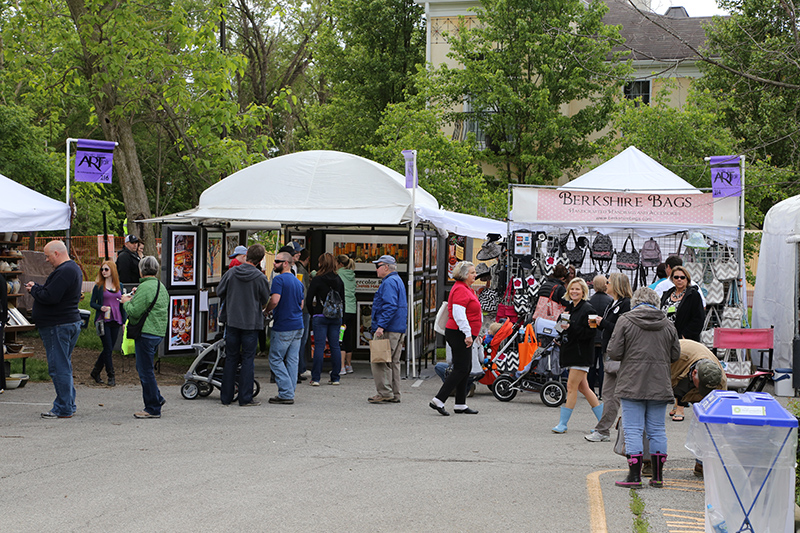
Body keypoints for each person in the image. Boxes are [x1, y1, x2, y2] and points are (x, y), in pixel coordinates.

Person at [608, 287, 680, 489]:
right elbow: (675, 355)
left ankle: (634, 476)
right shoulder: (668, 324)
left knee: (633, 430)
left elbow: (614, 352)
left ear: (635, 302)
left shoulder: (625, 320)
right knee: (657, 430)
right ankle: (657, 477)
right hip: (659, 382)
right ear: (656, 302)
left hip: (632, 382)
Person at [26, 240, 83, 419]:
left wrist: (35, 290)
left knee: (59, 367)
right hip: (66, 322)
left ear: (57, 253)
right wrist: (38, 289)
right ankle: (68, 403)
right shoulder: (72, 269)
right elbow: (55, 292)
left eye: (48, 256)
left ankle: (63, 407)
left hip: (58, 325)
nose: (46, 260)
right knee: (64, 365)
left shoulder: (65, 271)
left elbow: (51, 297)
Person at [217, 244, 270, 407]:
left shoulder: (231, 273)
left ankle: (226, 396)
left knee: (231, 357)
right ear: (261, 259)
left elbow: (220, 291)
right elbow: (264, 298)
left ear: (247, 255)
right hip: (251, 322)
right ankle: (245, 397)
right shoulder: (260, 277)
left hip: (232, 321)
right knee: (248, 359)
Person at [430, 261, 481, 416]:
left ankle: (460, 404)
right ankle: (438, 400)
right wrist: (467, 334)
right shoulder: (460, 290)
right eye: (472, 273)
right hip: (458, 332)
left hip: (463, 333)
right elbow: (459, 315)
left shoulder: (466, 289)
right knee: (461, 368)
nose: (475, 275)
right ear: (464, 275)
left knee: (466, 368)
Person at [585, 273, 632, 442]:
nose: (606, 284)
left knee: (613, 394)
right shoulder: (614, 302)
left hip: (618, 355)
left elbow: (621, 329)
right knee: (609, 393)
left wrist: (602, 322)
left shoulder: (626, 304)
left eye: (609, 282)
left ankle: (604, 429)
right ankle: (603, 428)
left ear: (617, 285)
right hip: (610, 352)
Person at [551, 278, 602, 433]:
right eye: (572, 289)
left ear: (583, 291)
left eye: (577, 289)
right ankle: (604, 421)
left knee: (571, 387)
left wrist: (570, 328)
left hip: (581, 354)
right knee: (584, 388)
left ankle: (563, 423)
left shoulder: (590, 309)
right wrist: (561, 323)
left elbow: (592, 332)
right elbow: (560, 330)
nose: (574, 292)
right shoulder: (569, 308)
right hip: (572, 352)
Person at [120, 256, 168, 418]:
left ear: (141, 270)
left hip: (146, 333)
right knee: (147, 369)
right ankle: (157, 398)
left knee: (145, 370)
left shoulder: (145, 287)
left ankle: (152, 408)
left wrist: (126, 301)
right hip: (158, 332)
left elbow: (134, 311)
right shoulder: (160, 286)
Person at [264, 251, 305, 404]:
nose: (274, 264)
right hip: (298, 324)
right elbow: (301, 304)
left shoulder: (279, 280)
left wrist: (267, 310)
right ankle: (290, 391)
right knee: (292, 360)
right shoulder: (297, 282)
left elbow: (275, 300)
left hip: (284, 325)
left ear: (286, 263)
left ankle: (286, 392)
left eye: (277, 261)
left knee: (275, 358)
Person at [368, 255, 407, 404]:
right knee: (394, 362)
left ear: (385, 267)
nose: (376, 269)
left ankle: (385, 392)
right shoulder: (397, 280)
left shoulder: (389, 282)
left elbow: (390, 305)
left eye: (377, 266)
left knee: (380, 360)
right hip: (398, 327)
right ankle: (395, 393)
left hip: (389, 328)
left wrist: (381, 326)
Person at [306, 253, 345, 386]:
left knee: (319, 346)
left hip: (320, 316)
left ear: (322, 264)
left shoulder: (317, 279)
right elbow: (342, 300)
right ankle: (335, 377)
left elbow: (309, 300)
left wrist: (313, 313)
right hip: (336, 317)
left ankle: (316, 378)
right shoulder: (339, 279)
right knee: (335, 346)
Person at [669, 339, 727, 422]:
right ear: (694, 373)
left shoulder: (721, 380)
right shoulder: (676, 356)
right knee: (681, 385)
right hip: (681, 357)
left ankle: (678, 405)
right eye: (702, 386)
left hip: (697, 357)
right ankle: (678, 406)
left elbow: (721, 405)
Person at [89, 260, 126, 386]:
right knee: (108, 348)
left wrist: (124, 321)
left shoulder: (119, 285)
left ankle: (95, 371)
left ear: (112, 271)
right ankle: (111, 375)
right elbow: (92, 303)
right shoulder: (99, 286)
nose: (103, 272)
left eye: (106, 269)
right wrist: (101, 308)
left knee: (107, 349)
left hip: (116, 319)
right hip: (103, 320)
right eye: (102, 269)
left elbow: (122, 305)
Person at [660, 265, 705, 343]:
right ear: (672, 279)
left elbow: (698, 318)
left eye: (682, 277)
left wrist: (685, 336)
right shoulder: (667, 294)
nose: (679, 279)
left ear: (687, 279)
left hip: (683, 339)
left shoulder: (693, 295)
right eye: (676, 277)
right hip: (665, 337)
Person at [587, 275, 613, 396]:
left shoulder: (590, 301)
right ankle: (603, 391)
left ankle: (590, 390)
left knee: (592, 365)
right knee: (603, 366)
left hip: (592, 336)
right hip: (604, 336)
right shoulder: (610, 301)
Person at [336, 254, 357, 375]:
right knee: (348, 337)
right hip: (352, 309)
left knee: (340, 338)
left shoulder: (338, 274)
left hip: (343, 310)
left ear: (340, 264)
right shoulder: (351, 275)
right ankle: (349, 365)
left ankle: (341, 367)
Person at [296, 248, 312, 381]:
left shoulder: (295, 269)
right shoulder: (303, 272)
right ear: (307, 259)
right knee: (302, 340)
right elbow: (304, 293)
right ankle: (300, 368)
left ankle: (298, 368)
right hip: (304, 310)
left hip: (297, 310)